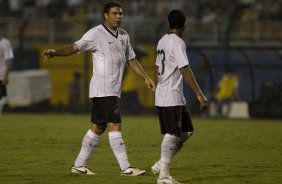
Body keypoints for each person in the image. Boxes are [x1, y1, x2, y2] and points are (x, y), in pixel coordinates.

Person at [42, 1, 155, 176]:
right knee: (115, 124)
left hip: (112, 90)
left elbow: (131, 60)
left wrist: (146, 77)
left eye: (121, 14)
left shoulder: (124, 35)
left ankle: (79, 165)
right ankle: (125, 168)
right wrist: (55, 52)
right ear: (105, 15)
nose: (119, 16)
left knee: (98, 127)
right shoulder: (96, 33)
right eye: (115, 13)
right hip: (103, 89)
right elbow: (74, 47)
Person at [151, 10, 208, 184]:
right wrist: (199, 94)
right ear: (184, 24)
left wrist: (158, 84)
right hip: (170, 95)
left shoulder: (162, 40)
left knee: (187, 131)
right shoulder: (177, 42)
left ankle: (161, 164)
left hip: (170, 93)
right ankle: (163, 175)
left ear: (169, 23)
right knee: (173, 133)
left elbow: (156, 67)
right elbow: (185, 69)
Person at [0, 25, 13, 115]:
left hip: (1, 73)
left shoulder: (5, 43)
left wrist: (6, 75)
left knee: (2, 95)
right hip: (2, 73)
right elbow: (8, 60)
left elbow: (8, 60)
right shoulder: (5, 43)